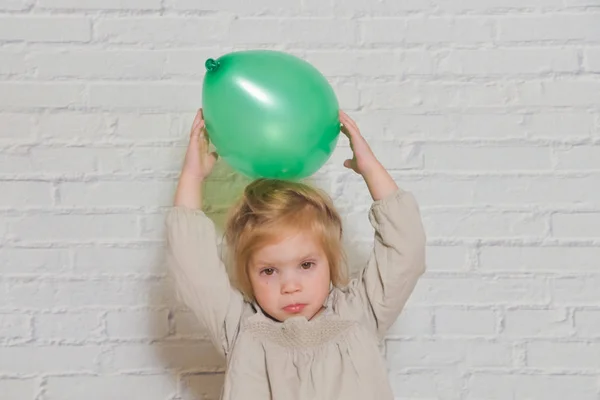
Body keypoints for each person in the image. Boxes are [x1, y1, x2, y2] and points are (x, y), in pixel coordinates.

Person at [165, 108, 426, 400]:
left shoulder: (358, 315)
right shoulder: (242, 329)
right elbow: (192, 266)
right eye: (269, 271)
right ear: (248, 273)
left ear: (330, 261)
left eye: (306, 264)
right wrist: (191, 176)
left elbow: (406, 250)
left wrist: (371, 169)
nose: (290, 286)